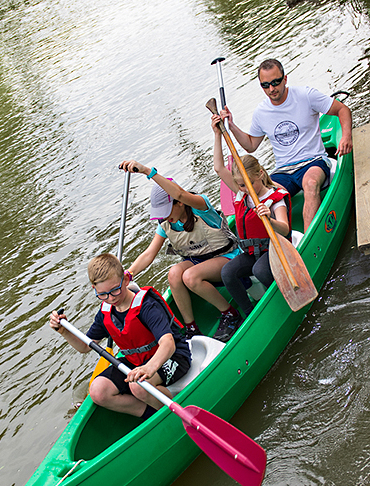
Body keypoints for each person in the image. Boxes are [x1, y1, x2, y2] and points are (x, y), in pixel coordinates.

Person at [49, 253, 191, 420]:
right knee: (98, 391)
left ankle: (174, 413)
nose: (111, 298)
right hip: (136, 361)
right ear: (95, 289)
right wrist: (64, 331)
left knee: (138, 385)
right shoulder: (105, 312)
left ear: (126, 280)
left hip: (173, 357)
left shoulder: (147, 306)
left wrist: (149, 368)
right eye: (103, 294)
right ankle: (150, 414)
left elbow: (168, 343)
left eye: (115, 290)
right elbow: (85, 346)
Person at [220, 58, 352, 232]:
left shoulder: (305, 95)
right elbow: (251, 145)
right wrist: (231, 125)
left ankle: (309, 237)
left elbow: (342, 109)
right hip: (283, 170)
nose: (271, 89)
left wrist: (346, 137)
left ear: (285, 79)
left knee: (310, 183)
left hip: (313, 161)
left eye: (275, 82)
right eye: (265, 85)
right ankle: (274, 239)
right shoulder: (261, 112)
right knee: (264, 194)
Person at [119, 159, 243, 342]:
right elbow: (149, 254)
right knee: (174, 273)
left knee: (190, 277)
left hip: (227, 257)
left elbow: (179, 193)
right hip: (199, 262)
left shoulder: (200, 206)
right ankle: (191, 327)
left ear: (179, 203)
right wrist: (127, 274)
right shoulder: (166, 223)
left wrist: (146, 171)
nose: (164, 216)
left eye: (167, 210)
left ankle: (231, 314)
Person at [210, 118, 290, 319]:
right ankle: (249, 314)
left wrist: (269, 219)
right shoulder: (242, 193)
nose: (246, 189)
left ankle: (283, 302)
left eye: (250, 183)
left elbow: (285, 229)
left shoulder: (274, 198)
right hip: (252, 251)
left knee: (260, 270)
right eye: (241, 185)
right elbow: (219, 168)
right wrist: (217, 134)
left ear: (261, 174)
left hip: (275, 250)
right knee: (227, 272)